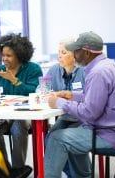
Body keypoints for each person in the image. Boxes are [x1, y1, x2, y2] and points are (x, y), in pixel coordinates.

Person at [44, 31, 115, 178]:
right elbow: (99, 99)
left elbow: (89, 113)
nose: (74, 54)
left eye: (76, 50)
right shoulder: (109, 65)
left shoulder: (98, 73)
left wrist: (59, 102)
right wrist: (73, 96)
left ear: (87, 53)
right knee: (72, 133)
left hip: (113, 134)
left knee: (57, 138)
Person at [0, 33, 43, 178]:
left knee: (19, 123)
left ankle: (18, 170)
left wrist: (14, 80)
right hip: (3, 115)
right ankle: (3, 168)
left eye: (8, 55)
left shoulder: (33, 69)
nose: (4, 59)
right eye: (3, 55)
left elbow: (34, 92)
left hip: (26, 115)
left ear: (19, 55)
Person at [45, 39, 85, 178]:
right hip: (66, 116)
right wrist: (42, 92)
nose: (59, 56)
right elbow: (42, 88)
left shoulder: (84, 71)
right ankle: (70, 172)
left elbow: (89, 98)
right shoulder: (53, 69)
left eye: (63, 52)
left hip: (83, 118)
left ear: (75, 55)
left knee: (67, 142)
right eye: (58, 52)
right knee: (50, 139)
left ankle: (80, 173)